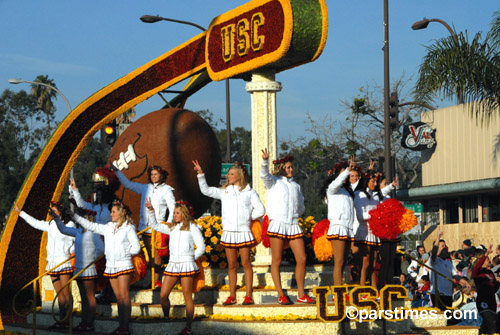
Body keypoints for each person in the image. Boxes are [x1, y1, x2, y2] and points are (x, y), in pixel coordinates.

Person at [193, 160, 264, 305]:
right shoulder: (224, 191)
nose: (228, 176)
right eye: (228, 173)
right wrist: (200, 174)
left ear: (239, 175)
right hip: (228, 232)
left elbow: (261, 209)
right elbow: (206, 190)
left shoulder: (249, 192)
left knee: (246, 263)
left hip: (244, 231)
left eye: (231, 174)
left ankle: (248, 295)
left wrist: (247, 217)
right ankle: (232, 296)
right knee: (231, 265)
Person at [69, 200, 141, 335]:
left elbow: (136, 247)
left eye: (113, 212)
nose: (111, 214)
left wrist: (124, 253)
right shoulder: (107, 227)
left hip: (124, 264)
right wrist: (73, 215)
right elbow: (90, 225)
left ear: (121, 213)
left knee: (124, 297)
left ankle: (125, 327)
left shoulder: (128, 227)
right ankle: (121, 326)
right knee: (119, 297)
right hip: (111, 266)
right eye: (111, 212)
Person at [260, 148, 315, 304]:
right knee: (276, 260)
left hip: (292, 224)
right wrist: (264, 161)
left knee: (302, 258)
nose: (291, 169)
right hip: (277, 223)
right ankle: (280, 295)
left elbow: (301, 206)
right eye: (288, 167)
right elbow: (263, 174)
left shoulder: (296, 186)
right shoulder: (273, 182)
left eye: (291, 167)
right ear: (281, 169)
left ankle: (301, 294)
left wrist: (296, 214)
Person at [145, 198, 204, 335]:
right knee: (163, 295)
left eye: (177, 213)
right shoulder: (171, 228)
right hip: (172, 265)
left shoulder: (193, 227)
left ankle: (188, 327)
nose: (174, 215)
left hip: (186, 266)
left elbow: (201, 247)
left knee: (187, 297)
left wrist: (190, 259)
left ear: (184, 213)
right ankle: (167, 319)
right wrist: (151, 211)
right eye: (174, 213)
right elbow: (154, 225)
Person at [14, 201, 75, 330]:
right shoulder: (51, 224)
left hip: (63, 261)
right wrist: (21, 213)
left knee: (66, 294)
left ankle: (68, 321)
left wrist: (70, 250)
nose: (52, 213)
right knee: (59, 295)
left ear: (61, 211)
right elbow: (36, 223)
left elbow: (75, 241)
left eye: (55, 211)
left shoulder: (69, 224)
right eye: (51, 211)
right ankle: (62, 320)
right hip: (52, 262)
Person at [114, 165, 175, 288]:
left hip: (158, 227)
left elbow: (172, 206)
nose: (153, 176)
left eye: (156, 174)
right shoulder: (145, 187)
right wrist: (117, 171)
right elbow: (128, 184)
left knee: (157, 255)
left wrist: (168, 222)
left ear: (161, 176)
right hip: (145, 227)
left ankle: (156, 281)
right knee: (150, 255)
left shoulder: (167, 190)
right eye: (152, 174)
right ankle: (153, 279)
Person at [53, 209, 104, 332]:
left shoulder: (93, 233)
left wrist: (92, 259)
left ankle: (89, 322)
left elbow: (101, 249)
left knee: (89, 296)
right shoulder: (79, 232)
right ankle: (83, 321)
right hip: (79, 268)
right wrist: (56, 219)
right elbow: (63, 230)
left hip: (89, 268)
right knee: (83, 297)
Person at [319, 156, 356, 286]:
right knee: (339, 261)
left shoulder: (347, 192)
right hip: (337, 226)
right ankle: (337, 291)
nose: (346, 174)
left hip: (347, 228)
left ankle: (340, 288)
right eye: (343, 172)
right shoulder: (332, 189)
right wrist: (347, 171)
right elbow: (336, 182)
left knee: (344, 262)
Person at [353, 170, 382, 289]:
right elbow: (361, 216)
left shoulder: (375, 196)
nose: (375, 184)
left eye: (376, 181)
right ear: (366, 181)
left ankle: (374, 288)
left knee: (374, 263)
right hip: (364, 232)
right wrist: (375, 215)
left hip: (374, 232)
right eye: (372, 181)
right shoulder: (359, 195)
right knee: (365, 262)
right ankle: (362, 288)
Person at [472, 244, 499, 335]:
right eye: (487, 259)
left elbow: (494, 288)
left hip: (492, 301)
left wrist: (497, 283)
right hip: (483, 301)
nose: (489, 260)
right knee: (491, 324)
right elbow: (477, 266)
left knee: (486, 324)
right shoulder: (477, 272)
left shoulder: (489, 272)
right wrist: (485, 254)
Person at [428, 231, 456, 313]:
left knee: (448, 317)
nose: (445, 247)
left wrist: (465, 283)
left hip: (448, 294)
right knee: (440, 317)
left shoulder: (448, 262)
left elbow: (455, 275)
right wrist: (438, 238)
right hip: (437, 294)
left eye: (445, 246)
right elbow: (434, 253)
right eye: (442, 246)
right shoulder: (434, 261)